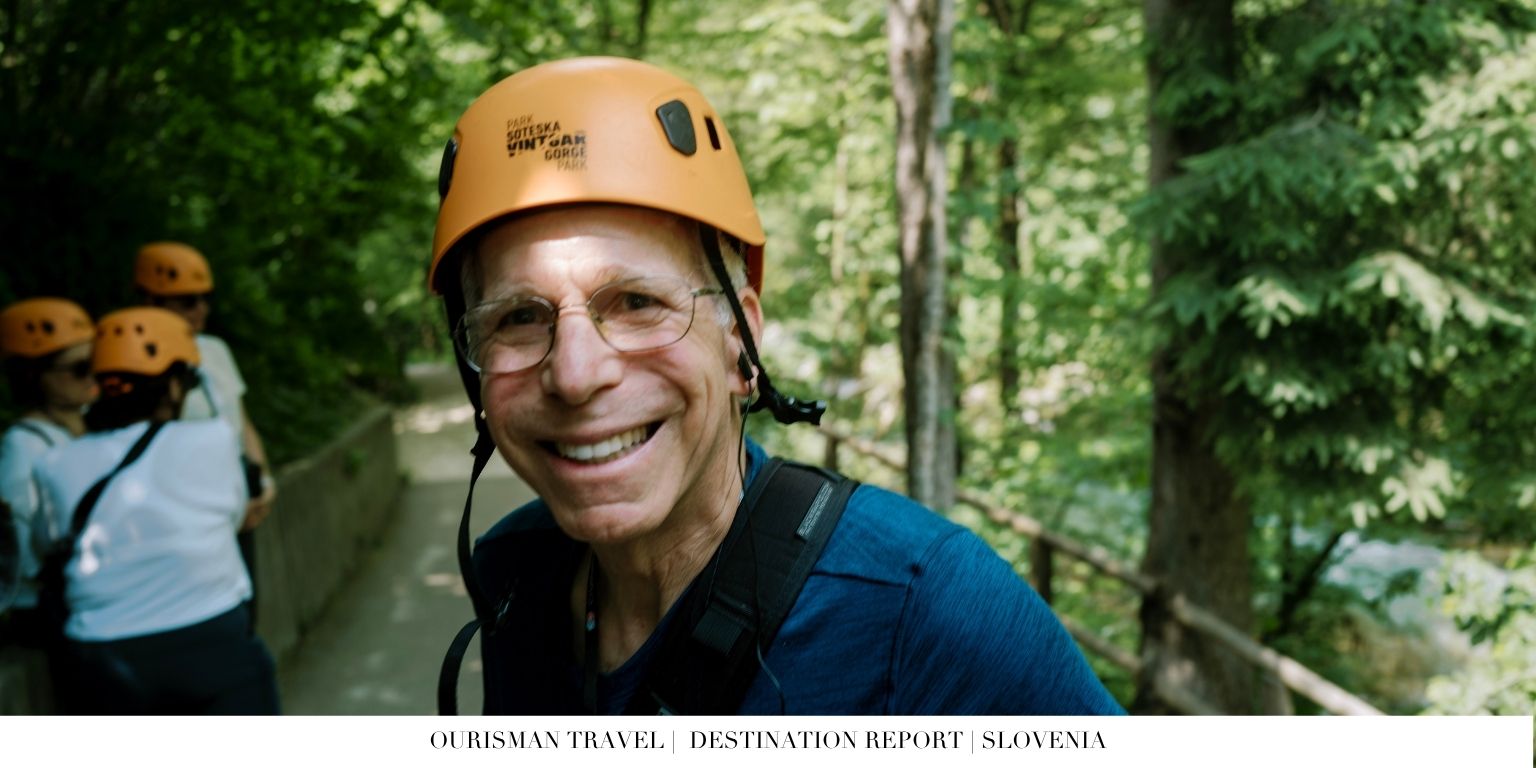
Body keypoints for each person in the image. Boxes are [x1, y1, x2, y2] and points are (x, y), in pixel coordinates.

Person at [429, 57, 1123, 715]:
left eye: (638, 302)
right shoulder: (514, 573)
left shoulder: (923, 606)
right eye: (519, 317)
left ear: (743, 343)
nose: (576, 375)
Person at [32, 307, 279, 714]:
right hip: (215, 646)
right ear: (175, 387)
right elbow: (234, 517)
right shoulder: (214, 440)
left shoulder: (54, 464)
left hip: (102, 662)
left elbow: (47, 544)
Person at [134, 242, 274, 606]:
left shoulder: (214, 350)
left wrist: (262, 482)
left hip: (241, 514)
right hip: (192, 524)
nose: (200, 309)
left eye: (203, 298)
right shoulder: (139, 371)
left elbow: (241, 421)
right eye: (186, 301)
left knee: (247, 611)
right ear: (150, 302)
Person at [0, 298, 96, 641]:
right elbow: (21, 550)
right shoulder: (23, 446)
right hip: (48, 611)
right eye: (79, 368)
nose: (93, 375)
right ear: (36, 377)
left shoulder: (85, 429)